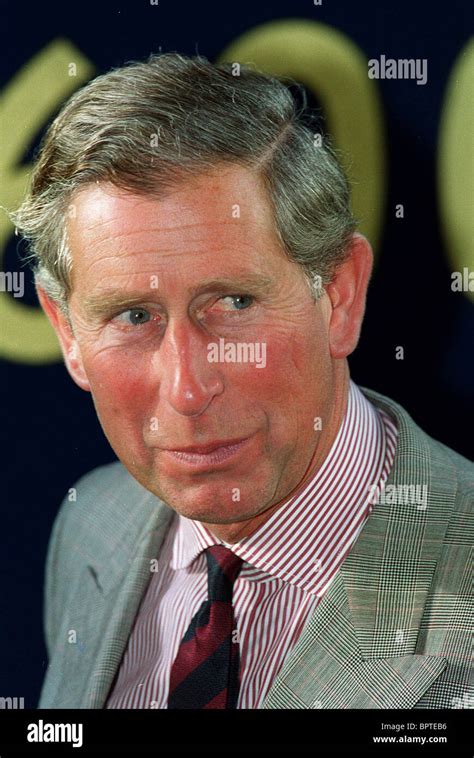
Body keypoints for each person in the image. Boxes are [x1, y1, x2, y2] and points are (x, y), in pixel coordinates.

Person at [13, 53, 472, 710]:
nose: (187, 389)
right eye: (134, 316)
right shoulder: (94, 522)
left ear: (339, 296)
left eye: (233, 304)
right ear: (67, 334)